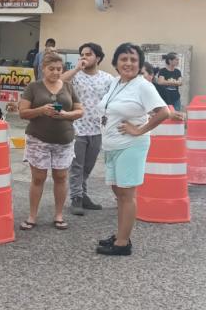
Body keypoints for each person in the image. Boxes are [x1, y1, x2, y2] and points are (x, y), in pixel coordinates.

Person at [96, 43, 170, 256]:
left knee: (127, 195)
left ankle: (123, 243)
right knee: (118, 193)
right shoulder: (116, 83)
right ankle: (121, 234)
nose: (128, 63)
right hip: (112, 145)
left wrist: (139, 130)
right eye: (123, 59)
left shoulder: (142, 85)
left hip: (130, 146)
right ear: (116, 62)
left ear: (139, 64)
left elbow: (163, 112)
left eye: (133, 60)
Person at [18, 52, 84, 231]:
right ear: (43, 69)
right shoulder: (33, 87)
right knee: (38, 178)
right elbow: (23, 112)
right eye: (51, 69)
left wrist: (66, 115)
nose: (55, 72)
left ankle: (59, 214)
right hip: (38, 139)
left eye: (59, 69)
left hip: (64, 139)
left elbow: (80, 111)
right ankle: (32, 216)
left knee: (61, 177)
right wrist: (41, 110)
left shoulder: (68, 87)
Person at [60, 42, 113, 216]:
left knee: (88, 166)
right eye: (82, 54)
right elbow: (60, 81)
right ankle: (76, 198)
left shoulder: (107, 78)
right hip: (77, 127)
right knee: (76, 166)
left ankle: (82, 195)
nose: (84, 57)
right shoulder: (75, 75)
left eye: (88, 54)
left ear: (98, 58)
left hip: (97, 129)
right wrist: (76, 69)